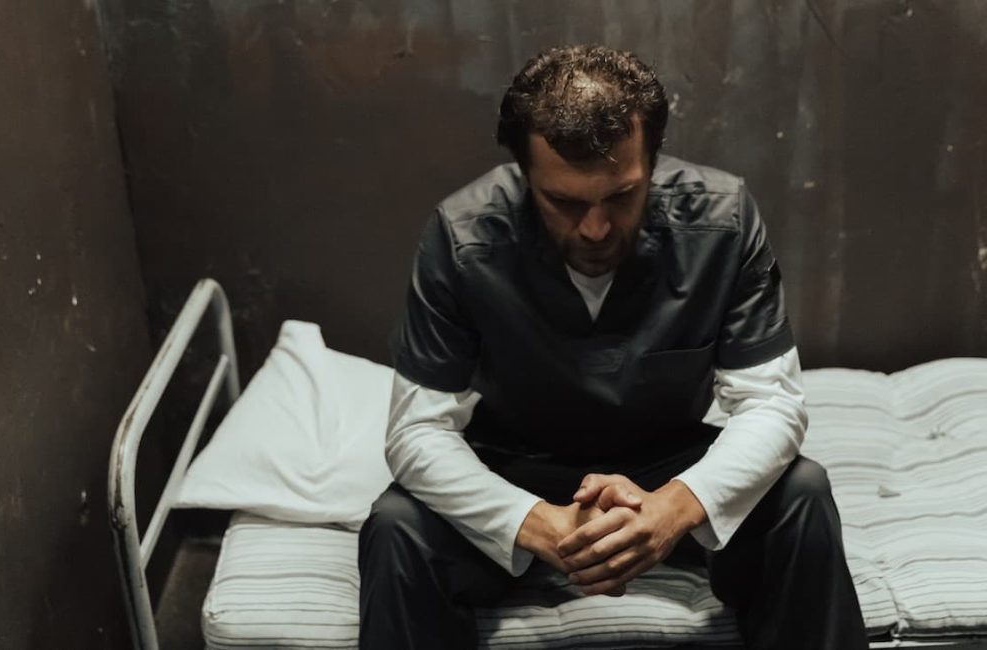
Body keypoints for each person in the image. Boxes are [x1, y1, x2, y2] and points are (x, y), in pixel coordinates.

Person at [358, 44, 868, 650]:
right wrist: (536, 524)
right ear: (524, 174)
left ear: (653, 161)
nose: (595, 228)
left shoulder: (723, 222)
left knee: (803, 494)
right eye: (565, 203)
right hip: (516, 466)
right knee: (395, 527)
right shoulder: (462, 236)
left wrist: (675, 507)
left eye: (622, 195)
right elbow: (417, 432)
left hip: (669, 464)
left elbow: (773, 405)